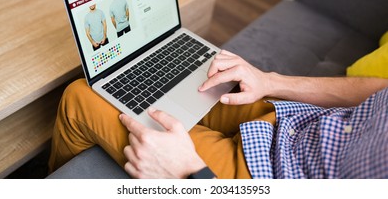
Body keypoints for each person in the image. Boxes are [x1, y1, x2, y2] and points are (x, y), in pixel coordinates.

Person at [48, 50, 388, 178]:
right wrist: (269, 81)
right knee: (197, 71)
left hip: (260, 177)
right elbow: (381, 88)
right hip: (291, 119)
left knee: (80, 96)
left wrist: (192, 176)